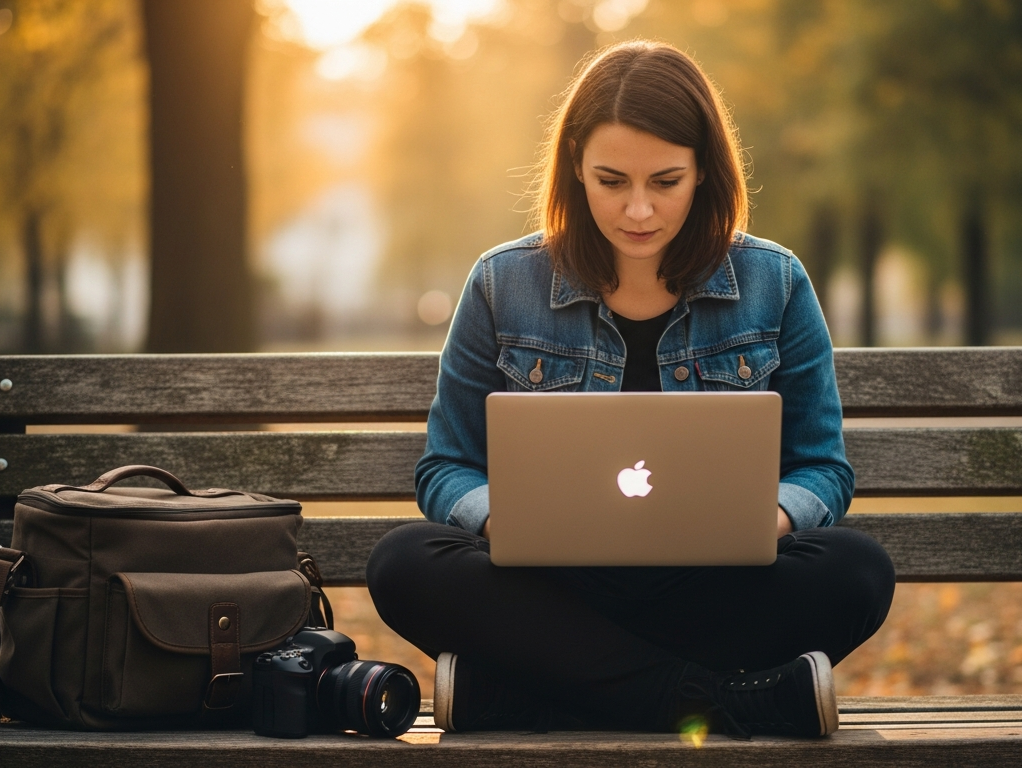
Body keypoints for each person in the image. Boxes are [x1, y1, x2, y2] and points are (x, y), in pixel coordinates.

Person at [367, 40, 894, 739]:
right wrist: (509, 523)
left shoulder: (776, 281)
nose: (638, 211)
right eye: (611, 181)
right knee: (403, 563)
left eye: (665, 182)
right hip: (554, 587)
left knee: (857, 570)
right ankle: (730, 704)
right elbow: (446, 467)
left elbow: (822, 467)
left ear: (705, 170)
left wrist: (765, 521)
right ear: (575, 166)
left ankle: (531, 697)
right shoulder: (502, 283)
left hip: (709, 588)